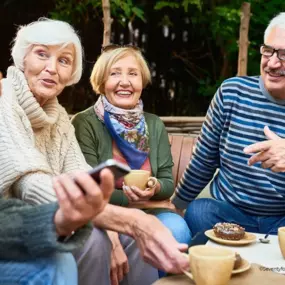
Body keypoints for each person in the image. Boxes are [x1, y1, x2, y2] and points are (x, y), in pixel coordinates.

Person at [0, 18, 189, 285]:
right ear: (22, 59)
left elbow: (84, 175)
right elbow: (31, 186)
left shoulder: (59, 118)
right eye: (42, 54)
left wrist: (125, 221)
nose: (52, 68)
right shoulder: (4, 101)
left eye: (64, 60)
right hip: (17, 226)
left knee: (135, 236)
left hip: (60, 219)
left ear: (71, 72)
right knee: (96, 241)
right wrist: (128, 218)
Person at [72, 45, 191, 280]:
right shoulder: (85, 123)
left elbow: (167, 181)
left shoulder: (154, 124)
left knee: (177, 230)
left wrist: (155, 188)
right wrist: (134, 203)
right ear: (101, 80)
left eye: (132, 74)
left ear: (142, 81)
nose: (124, 82)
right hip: (104, 216)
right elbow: (90, 188)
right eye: (115, 73)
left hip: (153, 210)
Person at [171, 12, 285, 238]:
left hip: (282, 219)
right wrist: (175, 205)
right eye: (268, 51)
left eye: (284, 55)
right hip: (229, 214)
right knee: (198, 211)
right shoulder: (232, 92)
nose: (272, 63)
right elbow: (204, 160)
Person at [0, 169, 114, 285]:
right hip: (38, 210)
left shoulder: (67, 150)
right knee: (93, 240)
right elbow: (32, 186)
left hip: (25, 219)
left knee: (63, 261)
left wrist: (57, 221)